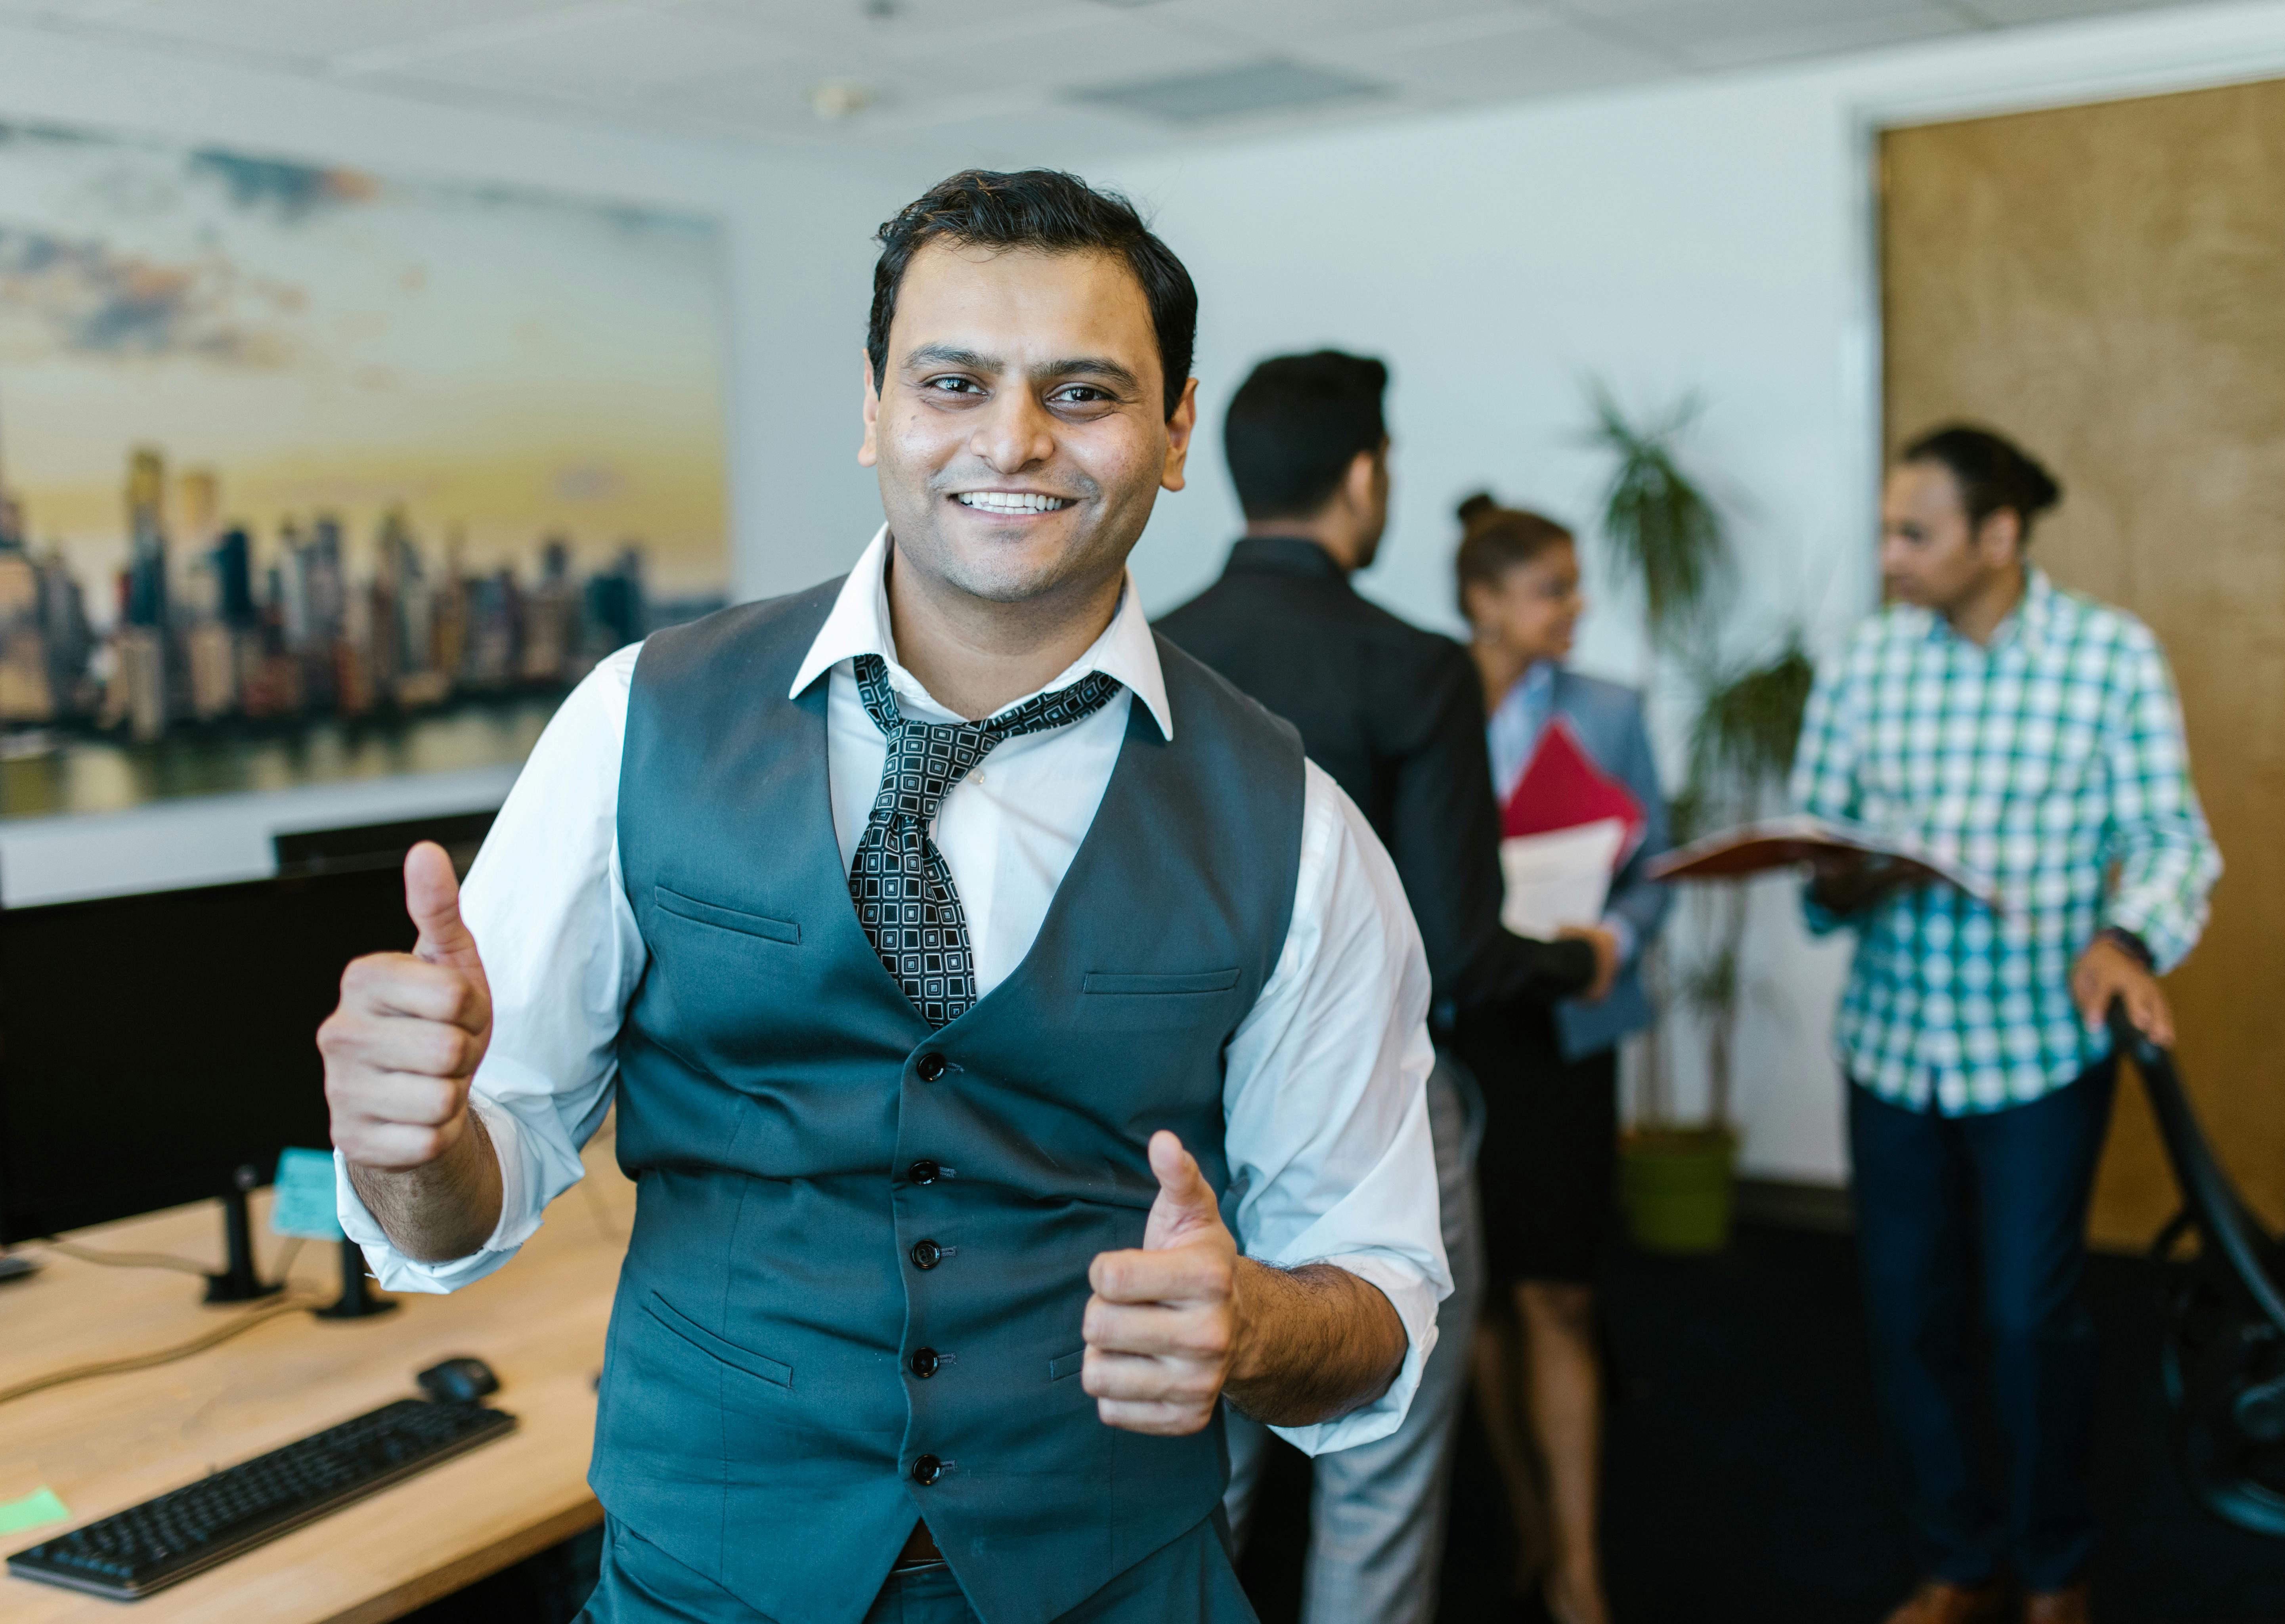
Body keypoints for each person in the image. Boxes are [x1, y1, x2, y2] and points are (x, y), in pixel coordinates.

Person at [316, 170, 1454, 1624]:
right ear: (874, 409)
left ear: (1175, 435)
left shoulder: (1295, 824)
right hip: (703, 1583)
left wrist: (1258, 1325)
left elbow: (1377, 1306)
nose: (1013, 438)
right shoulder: (638, 721)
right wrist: (404, 1142)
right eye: (953, 381)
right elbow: (458, 1201)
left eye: (1085, 391)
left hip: (1116, 1584)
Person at [1157, 352, 1617, 1624]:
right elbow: (1462, 951)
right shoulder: (1414, 668)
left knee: (1210, 1453)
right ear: (1364, 478)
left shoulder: (1150, 651)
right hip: (1377, 1113)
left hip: (1191, 1114)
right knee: (1379, 1454)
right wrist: (1578, 958)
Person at [1792, 426, 2220, 1624]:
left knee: (2030, 1322)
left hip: (2036, 1048)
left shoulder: (2109, 659)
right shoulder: (1863, 665)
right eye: (1884, 529)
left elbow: (2170, 844)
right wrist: (1851, 873)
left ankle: (2054, 1564)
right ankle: (1954, 1558)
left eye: (1911, 533)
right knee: (1908, 1317)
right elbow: (1820, 865)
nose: (1886, 555)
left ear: (1998, 535)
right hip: (1890, 1047)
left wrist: (2121, 937)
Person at [1449, 494, 1670, 1624]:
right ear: (1483, 601)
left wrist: (1612, 938)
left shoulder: (1611, 711)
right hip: (1454, 1032)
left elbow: (1658, 868)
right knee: (1478, 1296)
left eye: (1576, 586)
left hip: (1565, 1026)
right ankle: (1526, 1514)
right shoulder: (1427, 703)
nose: (1574, 608)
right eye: (1552, 588)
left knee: (1560, 1294)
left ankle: (1578, 1567)